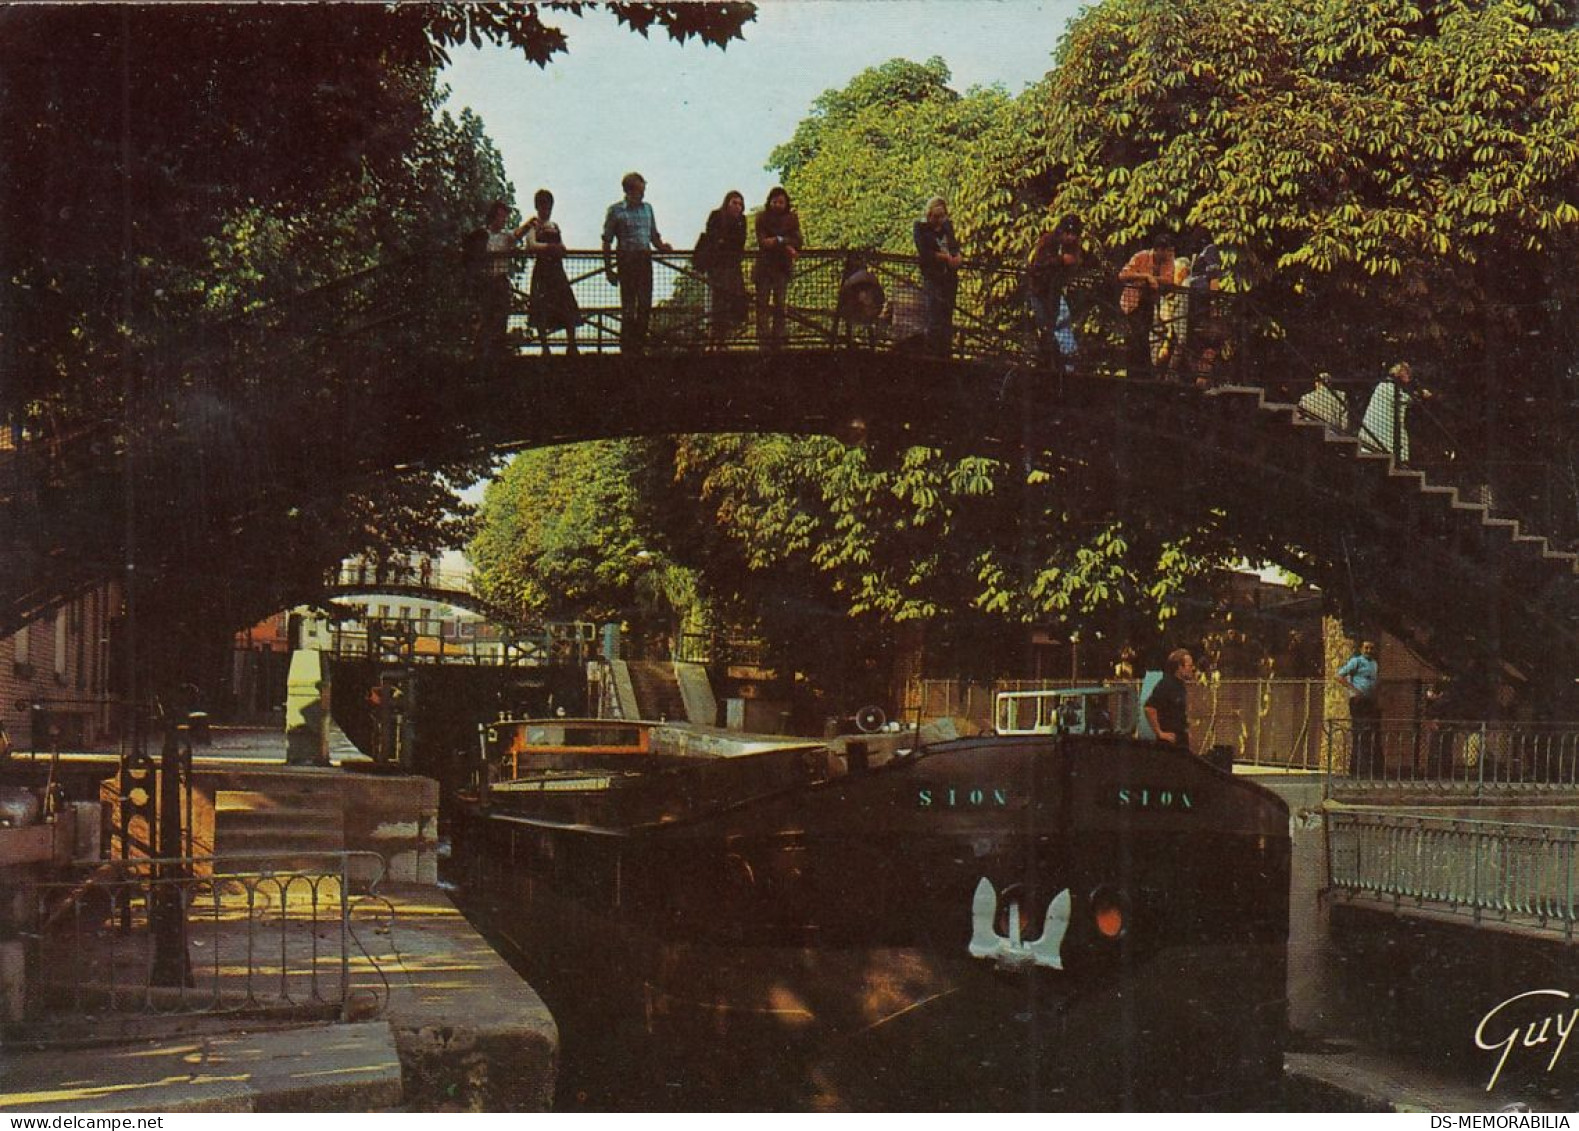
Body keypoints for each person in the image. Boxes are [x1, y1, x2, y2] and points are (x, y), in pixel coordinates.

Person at [602, 172, 672, 353]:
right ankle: (627, 347)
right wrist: (608, 268)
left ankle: (639, 345)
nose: (643, 194)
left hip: (644, 260)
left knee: (644, 304)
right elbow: (607, 240)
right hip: (626, 261)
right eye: (641, 190)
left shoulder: (648, 209)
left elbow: (653, 235)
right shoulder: (616, 210)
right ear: (630, 190)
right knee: (629, 306)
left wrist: (662, 247)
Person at [475, 200, 535, 360]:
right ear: (494, 217)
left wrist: (528, 225)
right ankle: (482, 352)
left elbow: (517, 234)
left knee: (501, 316)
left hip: (500, 281)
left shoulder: (505, 236)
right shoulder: (483, 236)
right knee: (486, 316)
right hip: (486, 281)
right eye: (502, 216)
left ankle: (497, 352)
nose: (504, 220)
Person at [524, 189, 580, 356]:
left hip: (557, 270)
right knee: (540, 306)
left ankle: (572, 345)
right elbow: (531, 245)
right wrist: (550, 248)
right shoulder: (533, 225)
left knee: (566, 304)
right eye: (543, 206)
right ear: (537, 206)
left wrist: (560, 249)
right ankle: (545, 347)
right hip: (542, 270)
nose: (546, 210)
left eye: (548, 206)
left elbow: (562, 246)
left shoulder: (554, 226)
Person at [1027, 214, 1085, 371]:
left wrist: (1071, 264)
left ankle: (1067, 364)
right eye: (1069, 234)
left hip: (1055, 291)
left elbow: (1074, 264)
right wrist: (1060, 260)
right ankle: (1047, 362)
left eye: (1075, 235)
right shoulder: (1048, 241)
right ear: (1063, 232)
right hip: (1040, 291)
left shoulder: (1073, 247)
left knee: (1061, 323)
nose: (1072, 238)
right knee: (1047, 327)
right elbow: (1038, 266)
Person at [1117, 232, 1176, 378]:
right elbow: (1123, 275)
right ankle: (1136, 374)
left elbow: (1169, 279)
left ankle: (1143, 374)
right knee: (1135, 339)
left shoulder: (1168, 260)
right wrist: (1145, 277)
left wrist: (1154, 279)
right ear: (1157, 249)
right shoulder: (1140, 257)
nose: (1167, 253)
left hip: (1149, 304)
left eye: (1168, 249)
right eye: (1164, 250)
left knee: (1143, 338)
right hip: (1132, 303)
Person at [753, 186, 803, 347]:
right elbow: (763, 242)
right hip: (764, 267)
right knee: (762, 304)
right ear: (770, 202)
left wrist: (779, 240)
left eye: (781, 202)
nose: (777, 205)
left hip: (782, 267)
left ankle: (778, 338)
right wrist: (785, 243)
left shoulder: (792, 219)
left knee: (780, 303)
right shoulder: (762, 218)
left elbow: (798, 241)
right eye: (775, 201)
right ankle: (763, 338)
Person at [913, 196, 962, 357]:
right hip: (933, 277)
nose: (940, 220)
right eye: (936, 216)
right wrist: (945, 257)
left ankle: (945, 353)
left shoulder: (948, 227)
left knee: (947, 317)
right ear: (929, 216)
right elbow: (924, 252)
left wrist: (957, 257)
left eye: (942, 216)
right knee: (934, 316)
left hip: (949, 278)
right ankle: (932, 354)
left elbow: (954, 246)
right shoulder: (921, 228)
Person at [699, 189, 748, 344]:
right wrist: (724, 242)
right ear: (727, 203)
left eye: (740, 204)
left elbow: (739, 242)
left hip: (732, 266)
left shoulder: (742, 221)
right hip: (715, 265)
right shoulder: (716, 215)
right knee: (714, 300)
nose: (737, 207)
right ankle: (712, 338)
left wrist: (724, 241)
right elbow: (712, 236)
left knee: (729, 301)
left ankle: (722, 340)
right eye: (734, 202)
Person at [1360, 362, 1423, 463]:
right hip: (1381, 423)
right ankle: (1400, 461)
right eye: (1406, 373)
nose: (1409, 376)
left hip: (1383, 424)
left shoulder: (1386, 386)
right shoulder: (1387, 386)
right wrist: (1420, 394)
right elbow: (1403, 399)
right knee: (1395, 438)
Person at [1336, 639, 1381, 777]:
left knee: (1368, 734)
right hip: (1358, 701)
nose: (1368, 651)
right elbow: (1339, 676)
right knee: (1359, 732)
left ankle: (1366, 769)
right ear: (1361, 649)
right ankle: (1355, 769)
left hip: (1369, 701)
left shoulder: (1374, 664)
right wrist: (1354, 690)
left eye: (1371, 648)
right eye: (1366, 648)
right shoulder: (1356, 661)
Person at [1144, 648, 1195, 752]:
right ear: (1179, 667)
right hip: (1169, 743)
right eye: (1189, 666)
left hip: (1180, 741)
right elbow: (1149, 708)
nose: (1192, 669)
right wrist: (1159, 733)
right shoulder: (1166, 685)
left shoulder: (1180, 685)